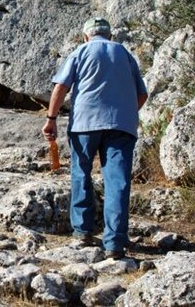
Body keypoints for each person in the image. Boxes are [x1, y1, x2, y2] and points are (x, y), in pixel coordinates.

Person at [42, 17, 148, 259]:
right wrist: (125, 112)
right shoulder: (124, 53)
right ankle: (115, 244)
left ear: (86, 36)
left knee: (81, 173)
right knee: (118, 182)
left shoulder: (80, 51)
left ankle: (82, 232)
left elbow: (61, 87)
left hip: (84, 124)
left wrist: (51, 118)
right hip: (121, 127)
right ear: (109, 36)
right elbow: (142, 94)